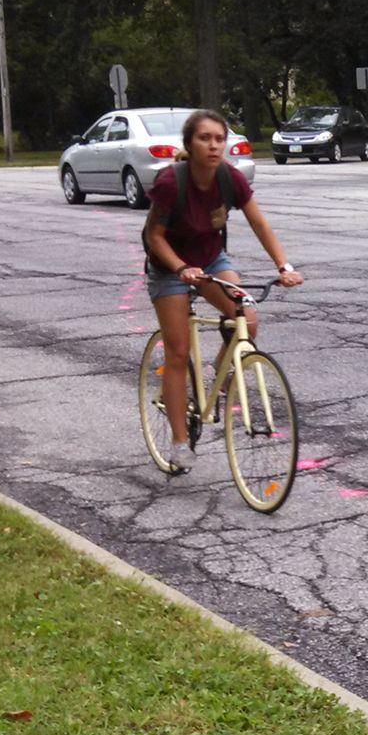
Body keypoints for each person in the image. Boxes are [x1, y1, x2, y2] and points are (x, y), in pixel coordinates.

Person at [144, 108, 304, 474]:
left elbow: (259, 223)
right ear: (190, 144)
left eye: (219, 138)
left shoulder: (230, 179)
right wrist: (181, 268)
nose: (214, 145)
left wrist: (284, 267)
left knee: (246, 317)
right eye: (205, 138)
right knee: (178, 350)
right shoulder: (172, 182)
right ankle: (181, 443)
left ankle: (214, 389)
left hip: (211, 260)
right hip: (170, 266)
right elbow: (154, 235)